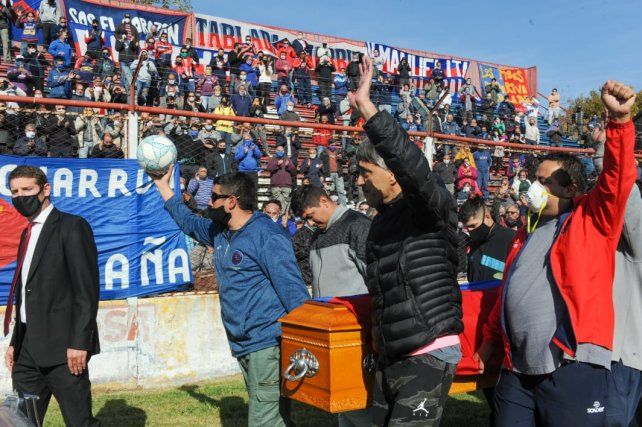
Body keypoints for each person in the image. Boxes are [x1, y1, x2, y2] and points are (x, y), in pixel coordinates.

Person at [475, 81, 637, 425]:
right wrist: (490, 340)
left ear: (571, 189)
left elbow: (616, 178)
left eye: (546, 182)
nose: (536, 187)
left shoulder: (592, 219)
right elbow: (508, 292)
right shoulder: (524, 235)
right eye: (535, 178)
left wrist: (619, 125)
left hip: (572, 367)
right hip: (516, 370)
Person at [350, 55, 462, 426]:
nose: (359, 182)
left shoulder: (427, 208)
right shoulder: (382, 222)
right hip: (393, 353)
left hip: (428, 351)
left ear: (393, 175)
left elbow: (414, 167)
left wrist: (369, 110)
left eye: (366, 173)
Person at [151, 169, 309, 427]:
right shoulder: (220, 231)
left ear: (231, 202)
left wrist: (306, 342)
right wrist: (162, 185)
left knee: (264, 421)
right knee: (274, 414)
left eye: (214, 198)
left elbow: (293, 290)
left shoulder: (267, 235)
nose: (209, 203)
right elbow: (188, 221)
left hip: (267, 342)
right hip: (242, 341)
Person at [5, 165, 100, 426]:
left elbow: (86, 291)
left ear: (45, 190)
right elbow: (26, 293)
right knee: (20, 421)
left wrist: (80, 342)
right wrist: (16, 340)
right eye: (14, 192)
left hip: (64, 350)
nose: (20, 196)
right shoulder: (26, 232)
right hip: (27, 351)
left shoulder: (72, 227)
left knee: (79, 421)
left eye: (27, 189)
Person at [290, 185, 373, 426]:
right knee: (341, 404)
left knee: (359, 402)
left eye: (310, 215)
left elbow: (377, 278)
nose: (310, 222)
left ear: (324, 201)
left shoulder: (358, 226)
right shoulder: (318, 233)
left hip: (356, 331)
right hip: (332, 333)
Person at [459, 196, 515, 282]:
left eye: (473, 225)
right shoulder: (476, 241)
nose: (470, 230)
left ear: (487, 217)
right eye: (467, 227)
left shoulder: (511, 239)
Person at [266, 145, 296, 214]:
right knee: (277, 202)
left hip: (286, 185)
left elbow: (293, 171)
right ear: (276, 151)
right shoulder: (272, 159)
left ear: (284, 151)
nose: (280, 152)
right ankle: (280, 215)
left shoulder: (288, 159)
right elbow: (269, 168)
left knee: (285, 202)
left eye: (282, 151)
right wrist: (277, 164)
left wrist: (288, 165)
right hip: (276, 185)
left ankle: (281, 215)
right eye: (279, 150)